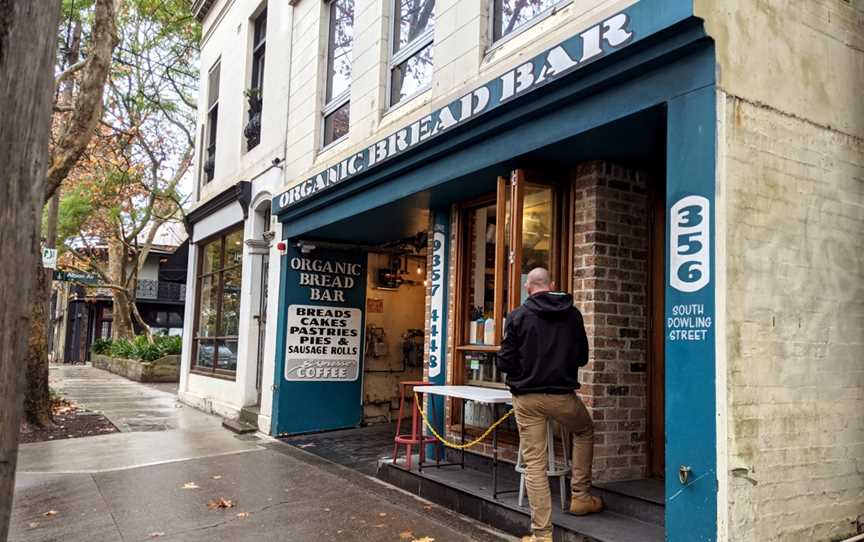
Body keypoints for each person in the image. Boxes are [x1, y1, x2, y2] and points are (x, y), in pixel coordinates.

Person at [496, 267, 603, 542]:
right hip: (562, 397)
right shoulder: (573, 314)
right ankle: (580, 496)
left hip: (527, 399)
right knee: (584, 430)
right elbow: (582, 358)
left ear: (528, 288)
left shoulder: (518, 316)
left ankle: (542, 535)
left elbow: (505, 362)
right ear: (552, 284)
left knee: (535, 465)